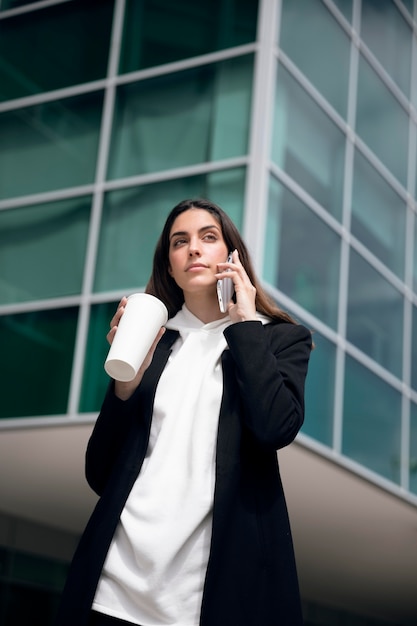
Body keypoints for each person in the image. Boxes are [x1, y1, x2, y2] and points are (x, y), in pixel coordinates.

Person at [54, 198, 312, 626]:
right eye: (180, 242)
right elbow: (100, 473)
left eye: (208, 237)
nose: (193, 248)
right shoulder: (154, 343)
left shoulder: (279, 340)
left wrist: (245, 325)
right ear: (169, 267)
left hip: (207, 596)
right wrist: (126, 383)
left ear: (232, 258)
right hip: (114, 586)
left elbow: (274, 429)